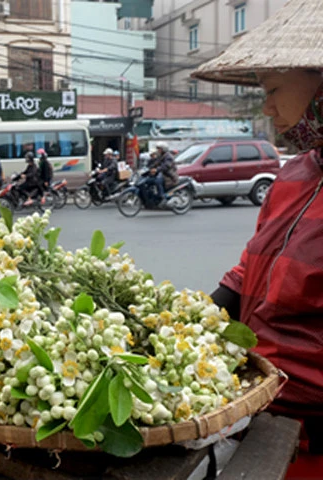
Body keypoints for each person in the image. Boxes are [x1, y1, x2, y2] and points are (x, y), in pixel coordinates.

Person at [191, 0, 323, 473]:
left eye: (274, 89)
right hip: (260, 412)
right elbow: (251, 267)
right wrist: (188, 319)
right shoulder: (293, 177)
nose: (266, 105)